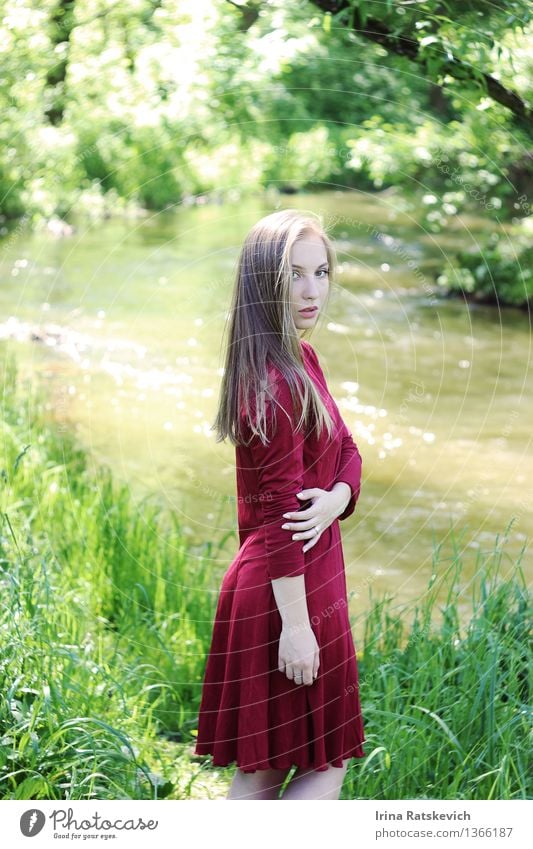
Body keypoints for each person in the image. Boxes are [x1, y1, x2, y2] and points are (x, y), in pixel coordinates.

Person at [194, 208, 366, 800]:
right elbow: (276, 518)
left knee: (270, 770)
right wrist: (296, 627)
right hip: (282, 597)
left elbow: (348, 448)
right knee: (320, 766)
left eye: (321, 272)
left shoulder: (302, 359)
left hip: (301, 585)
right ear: (263, 283)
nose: (312, 290)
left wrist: (337, 498)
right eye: (294, 275)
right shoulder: (275, 382)